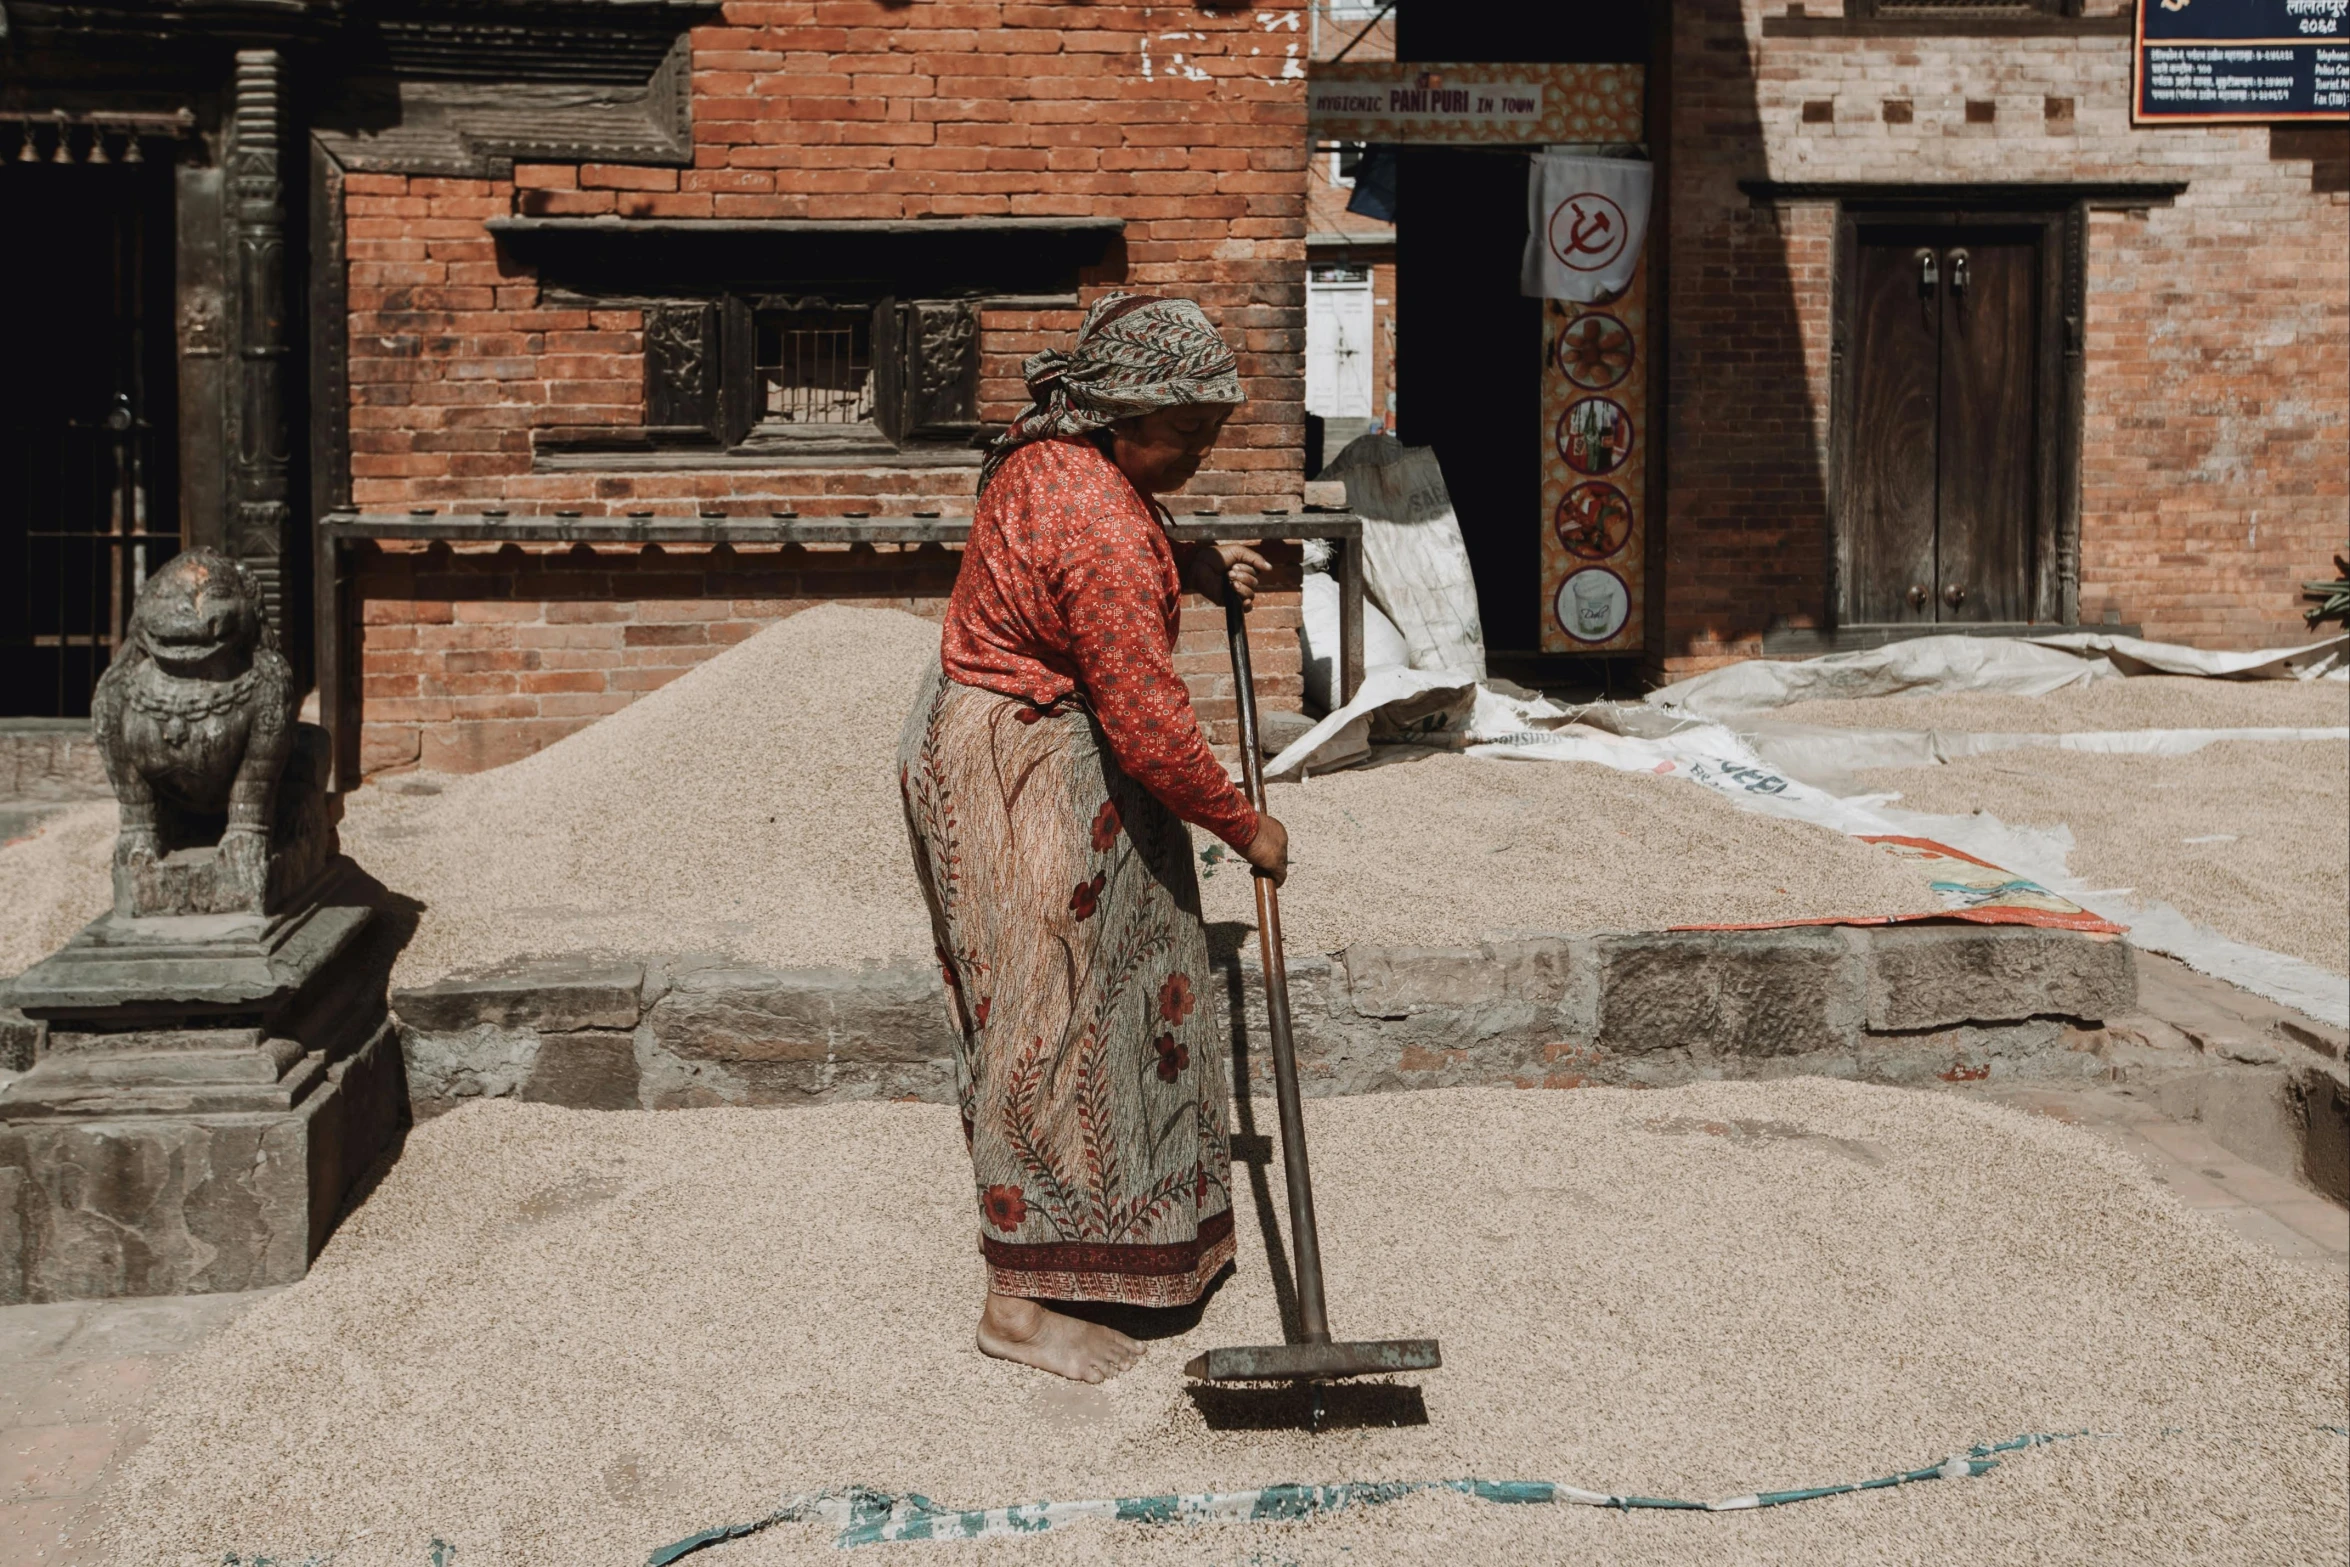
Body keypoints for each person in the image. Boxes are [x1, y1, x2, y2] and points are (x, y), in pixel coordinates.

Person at [898, 292, 1290, 1383]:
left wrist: (1193, 564)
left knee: (1084, 1000)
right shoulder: (1104, 520)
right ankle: (1016, 1307)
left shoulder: (1054, 450)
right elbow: (1151, 721)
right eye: (1186, 438)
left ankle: (1100, 1242)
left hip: (995, 724)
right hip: (1018, 758)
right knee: (1044, 1010)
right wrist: (1243, 822)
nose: (1198, 457)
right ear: (1121, 421)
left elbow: (1095, 559)